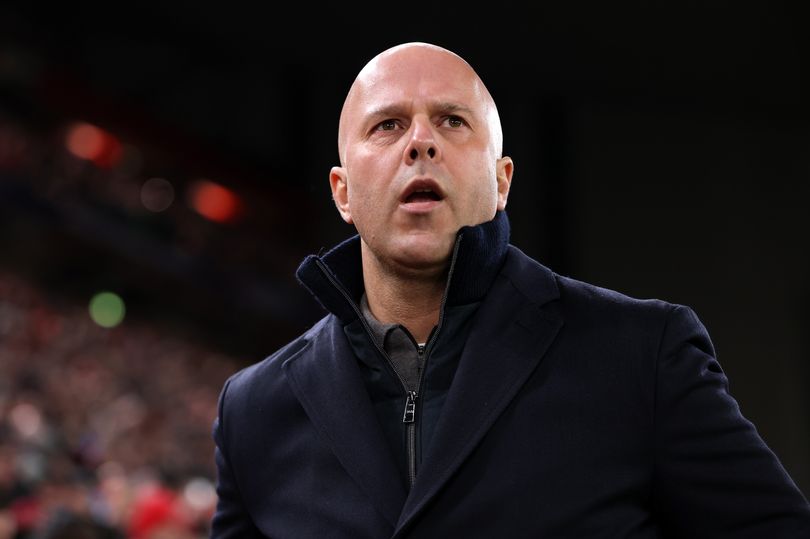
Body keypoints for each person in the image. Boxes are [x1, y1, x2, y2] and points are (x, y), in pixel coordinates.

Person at [209, 42, 810, 538]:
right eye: (388, 125)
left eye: (452, 121)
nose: (421, 142)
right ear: (342, 192)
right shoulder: (254, 409)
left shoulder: (642, 354)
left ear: (501, 182)